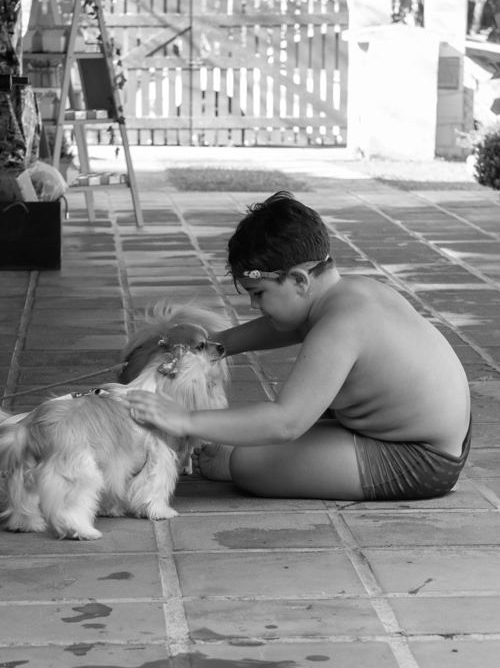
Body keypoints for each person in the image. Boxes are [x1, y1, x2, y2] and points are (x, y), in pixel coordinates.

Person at [125, 192, 471, 501]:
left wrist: (186, 419)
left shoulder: (340, 327)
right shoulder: (351, 293)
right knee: (261, 427)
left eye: (259, 294)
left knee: (248, 461)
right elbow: (288, 324)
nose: (254, 305)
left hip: (420, 459)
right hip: (435, 432)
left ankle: (235, 462)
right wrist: (217, 344)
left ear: (299, 281)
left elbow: (285, 422)